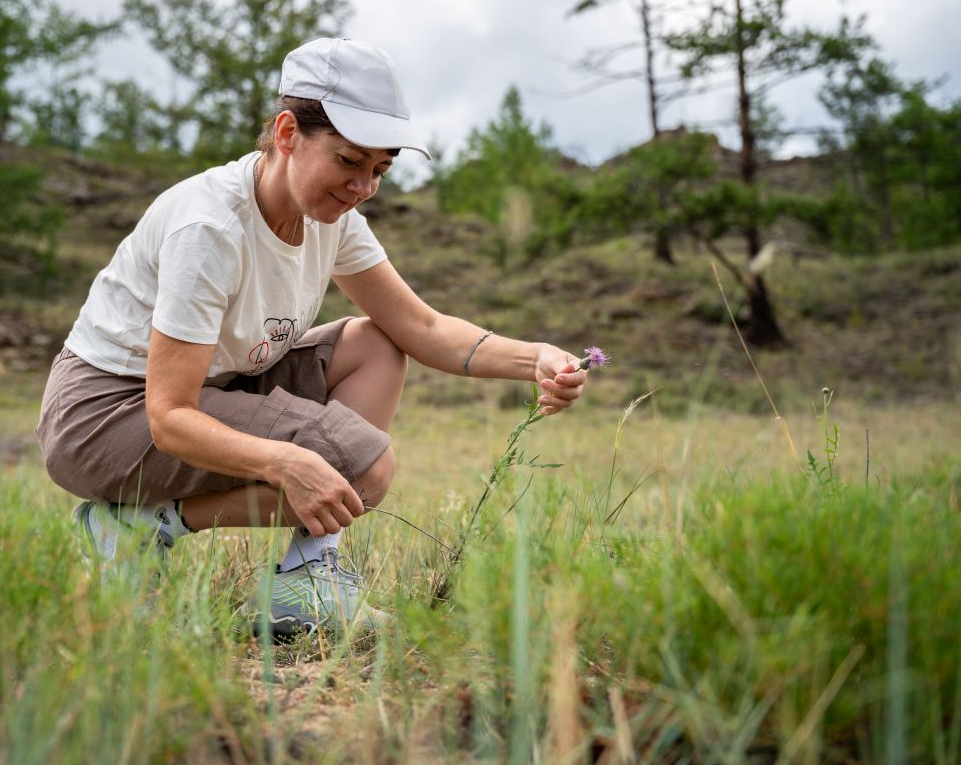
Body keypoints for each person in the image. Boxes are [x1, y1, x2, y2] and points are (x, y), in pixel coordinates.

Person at [36, 38, 588, 638]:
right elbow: (170, 417)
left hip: (215, 388)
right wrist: (286, 461)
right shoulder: (210, 228)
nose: (363, 187)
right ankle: (143, 529)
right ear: (286, 133)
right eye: (349, 162)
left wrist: (534, 358)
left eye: (379, 169)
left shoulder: (333, 221)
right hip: (104, 416)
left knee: (377, 344)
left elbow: (421, 328)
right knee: (364, 468)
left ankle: (305, 574)